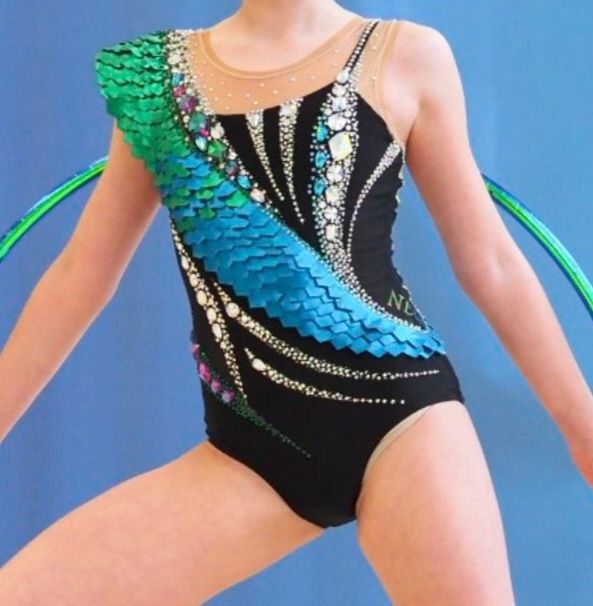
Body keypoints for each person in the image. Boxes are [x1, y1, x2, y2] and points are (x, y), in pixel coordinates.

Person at [1, 1, 592, 604]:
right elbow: (80, 274)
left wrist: (583, 424)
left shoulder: (406, 53)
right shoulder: (154, 78)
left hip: (404, 422)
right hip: (250, 456)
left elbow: (490, 262)